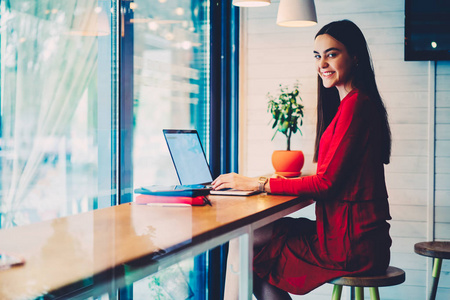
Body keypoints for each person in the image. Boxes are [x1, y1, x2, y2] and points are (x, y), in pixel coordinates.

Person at [212, 20, 392, 299]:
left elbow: (326, 184)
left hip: (349, 244)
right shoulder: (352, 103)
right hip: (348, 234)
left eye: (331, 54)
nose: (322, 63)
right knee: (247, 241)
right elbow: (336, 174)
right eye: (317, 56)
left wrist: (257, 183)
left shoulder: (356, 105)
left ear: (355, 56)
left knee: (245, 244)